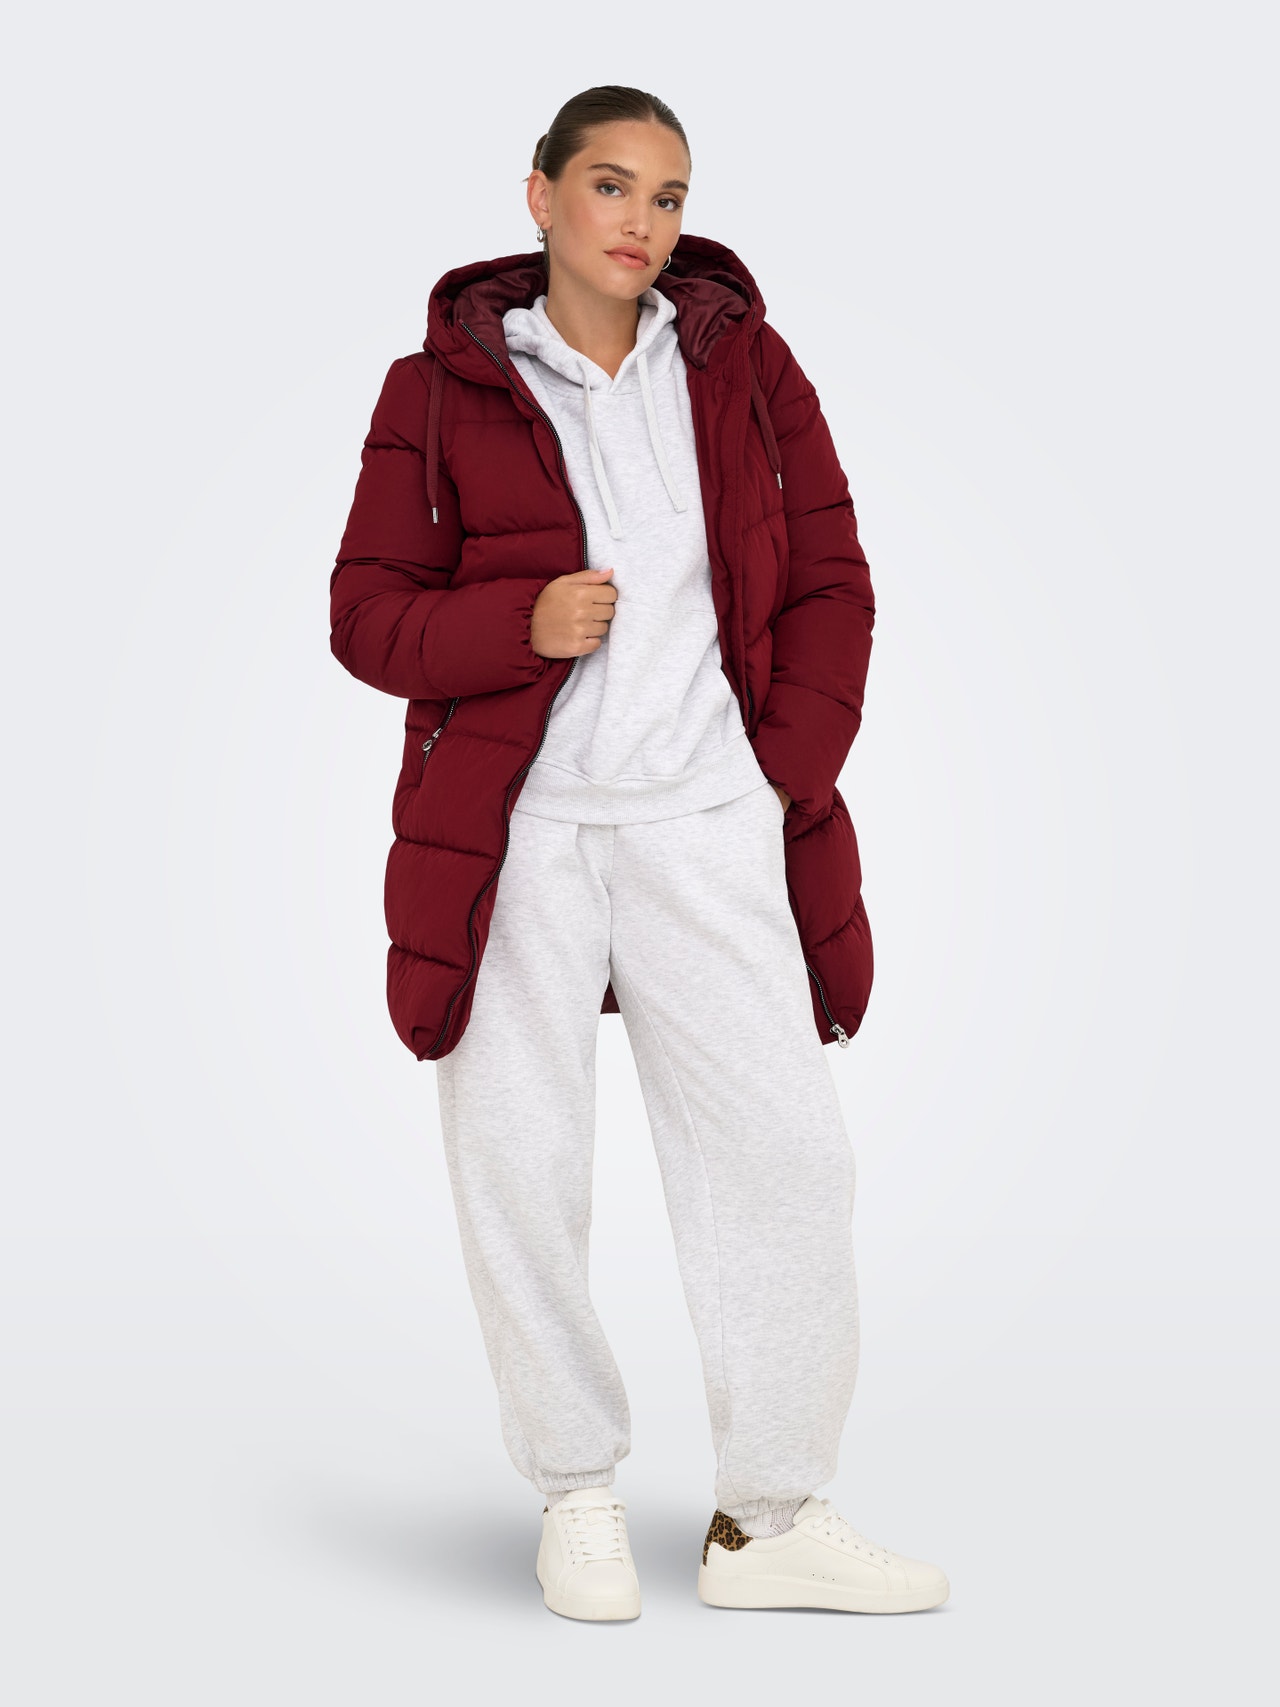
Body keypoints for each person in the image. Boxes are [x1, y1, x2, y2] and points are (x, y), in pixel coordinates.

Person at [329, 83, 948, 1621]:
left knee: (787, 1159)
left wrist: (778, 772)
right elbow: (366, 615)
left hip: (707, 818)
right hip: (520, 832)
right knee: (521, 1164)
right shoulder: (437, 389)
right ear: (540, 195)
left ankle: (769, 1518)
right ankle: (577, 1493)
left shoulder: (743, 367)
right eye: (611, 185)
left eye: (668, 196)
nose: (643, 222)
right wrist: (517, 625)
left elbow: (834, 574)